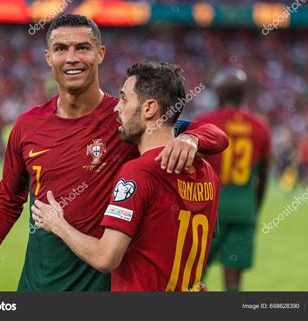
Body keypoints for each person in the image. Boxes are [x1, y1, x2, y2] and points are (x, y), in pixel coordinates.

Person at [0, 14, 228, 291]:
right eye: (61, 48)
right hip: (36, 287)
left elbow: (212, 134)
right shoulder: (28, 126)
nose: (72, 57)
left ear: (100, 54)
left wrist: (192, 139)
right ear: (48, 57)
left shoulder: (126, 121)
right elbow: (8, 198)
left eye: (82, 48)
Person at [32, 60, 220, 291]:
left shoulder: (138, 171)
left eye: (124, 98)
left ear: (149, 109)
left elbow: (106, 258)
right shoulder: (208, 172)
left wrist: (57, 224)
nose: (116, 107)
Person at [197, 67, 271, 291]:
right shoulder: (260, 126)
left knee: (192, 279)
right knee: (233, 287)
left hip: (208, 212)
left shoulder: (206, 122)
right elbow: (263, 178)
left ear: (219, 93)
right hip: (243, 212)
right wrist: (254, 211)